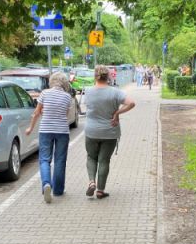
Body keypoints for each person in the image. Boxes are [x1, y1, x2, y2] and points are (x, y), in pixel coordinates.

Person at [84, 65, 136, 199]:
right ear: (108, 77)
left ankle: (91, 182)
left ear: (95, 76)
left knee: (91, 157)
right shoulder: (115, 92)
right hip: (110, 131)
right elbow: (131, 103)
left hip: (91, 131)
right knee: (104, 160)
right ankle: (100, 191)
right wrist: (118, 112)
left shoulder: (88, 91)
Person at [26, 72, 73, 203]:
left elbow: (36, 113)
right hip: (62, 131)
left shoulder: (44, 93)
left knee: (44, 160)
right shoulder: (67, 97)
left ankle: (46, 184)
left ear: (51, 81)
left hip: (46, 130)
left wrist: (30, 128)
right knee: (60, 160)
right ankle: (58, 190)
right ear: (64, 83)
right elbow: (66, 115)